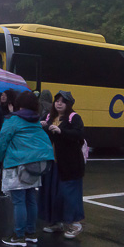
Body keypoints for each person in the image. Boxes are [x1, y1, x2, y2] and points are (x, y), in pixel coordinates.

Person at [0, 91, 54, 247]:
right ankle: (30, 233)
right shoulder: (36, 121)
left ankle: (18, 236)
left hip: (16, 165)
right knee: (30, 198)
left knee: (19, 201)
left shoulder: (12, 120)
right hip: (34, 165)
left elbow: (2, 141)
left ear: (18, 105)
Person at [40, 90, 86, 239]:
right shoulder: (49, 117)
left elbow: (78, 135)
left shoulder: (74, 118)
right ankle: (57, 222)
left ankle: (75, 224)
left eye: (63, 101)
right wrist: (44, 126)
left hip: (70, 165)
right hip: (53, 163)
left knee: (69, 194)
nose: (59, 103)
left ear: (69, 104)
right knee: (53, 193)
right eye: (57, 100)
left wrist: (61, 131)